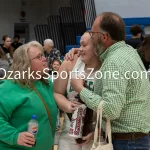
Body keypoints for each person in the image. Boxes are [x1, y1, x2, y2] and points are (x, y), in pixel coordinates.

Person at [66, 12, 150, 150]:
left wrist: (81, 89)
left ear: (104, 37)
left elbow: (111, 110)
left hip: (127, 142)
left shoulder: (113, 62)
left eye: (93, 34)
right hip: (134, 138)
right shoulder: (129, 51)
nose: (92, 37)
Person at [0, 41, 58, 150]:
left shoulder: (46, 83)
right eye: (39, 57)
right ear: (25, 64)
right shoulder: (8, 87)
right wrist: (14, 136)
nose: (44, 59)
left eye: (43, 55)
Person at [54, 32, 101, 150]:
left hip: (96, 134)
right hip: (69, 132)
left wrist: (98, 130)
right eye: (79, 45)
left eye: (84, 45)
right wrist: (67, 105)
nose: (80, 49)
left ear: (97, 47)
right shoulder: (69, 63)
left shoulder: (107, 66)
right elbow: (57, 92)